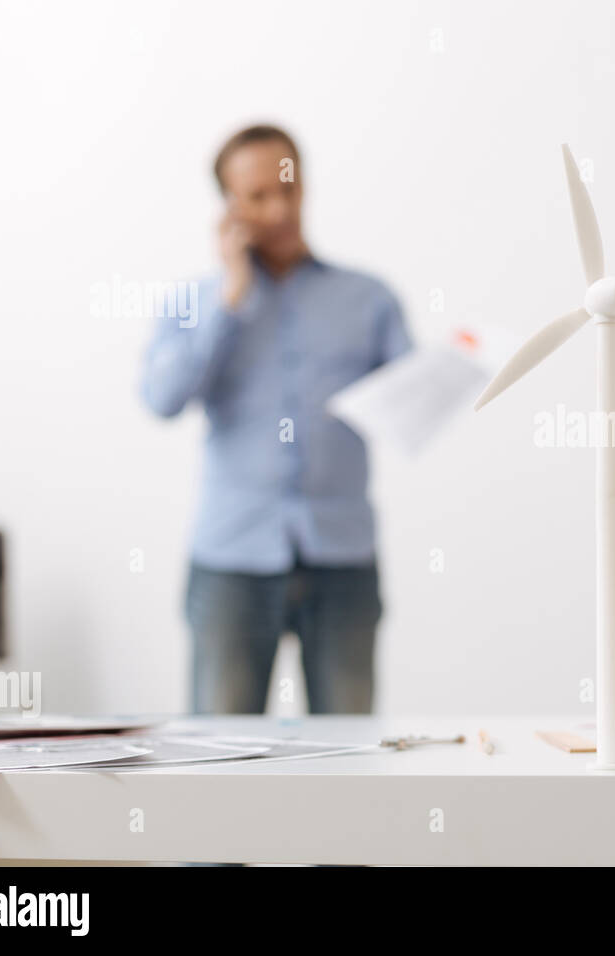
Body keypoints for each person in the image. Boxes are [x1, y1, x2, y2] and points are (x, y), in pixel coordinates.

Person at [140, 124, 410, 715]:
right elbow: (161, 398)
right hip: (231, 558)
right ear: (230, 205)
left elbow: (409, 404)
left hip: (343, 558)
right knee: (218, 755)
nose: (280, 207)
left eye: (289, 188)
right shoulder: (195, 302)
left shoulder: (369, 298)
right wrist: (230, 302)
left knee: (350, 754)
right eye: (259, 195)